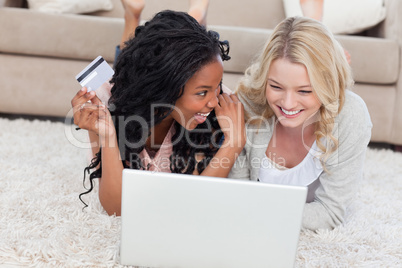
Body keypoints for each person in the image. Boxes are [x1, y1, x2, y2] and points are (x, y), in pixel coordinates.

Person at [71, 9, 245, 216]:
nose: (214, 101)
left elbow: (197, 204)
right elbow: (116, 210)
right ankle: (132, 18)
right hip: (133, 96)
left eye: (217, 87)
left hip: (156, 94)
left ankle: (196, 12)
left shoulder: (218, 107)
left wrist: (234, 142)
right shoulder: (104, 102)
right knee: (126, 74)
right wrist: (108, 135)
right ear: (166, 89)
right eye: (202, 93)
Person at [228, 16, 372, 230]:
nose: (287, 103)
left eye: (304, 91)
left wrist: (258, 212)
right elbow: (237, 195)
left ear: (328, 85)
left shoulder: (351, 115)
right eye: (276, 87)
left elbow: (329, 212)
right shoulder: (248, 105)